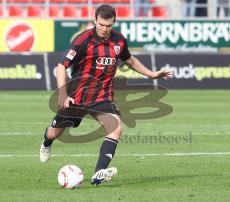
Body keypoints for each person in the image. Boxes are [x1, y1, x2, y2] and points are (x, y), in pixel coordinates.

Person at [39, 4, 172, 186]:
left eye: (108, 25)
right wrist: (63, 94)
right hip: (76, 95)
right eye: (101, 24)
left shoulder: (119, 41)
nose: (104, 29)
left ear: (114, 23)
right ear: (95, 21)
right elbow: (62, 65)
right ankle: (46, 143)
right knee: (55, 132)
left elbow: (130, 60)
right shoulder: (83, 40)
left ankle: (98, 173)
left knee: (116, 128)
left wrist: (152, 74)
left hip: (102, 95)